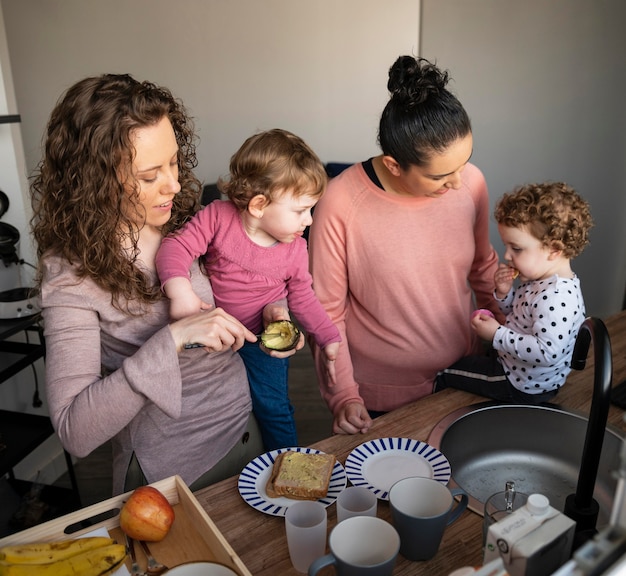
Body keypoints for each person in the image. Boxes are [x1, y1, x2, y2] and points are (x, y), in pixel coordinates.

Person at [30, 73, 302, 495]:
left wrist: (273, 309)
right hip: (173, 473)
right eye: (148, 175)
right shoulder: (71, 277)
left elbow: (249, 277)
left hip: (248, 433)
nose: (174, 184)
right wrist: (171, 339)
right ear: (94, 181)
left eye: (174, 162)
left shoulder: (184, 219)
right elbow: (75, 431)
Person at [308, 55, 503, 435]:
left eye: (465, 164)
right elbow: (326, 312)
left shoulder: (471, 183)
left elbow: (483, 269)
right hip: (381, 398)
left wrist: (511, 340)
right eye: (441, 175)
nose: (457, 183)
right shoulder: (340, 201)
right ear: (394, 165)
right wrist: (344, 395)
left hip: (466, 376)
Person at [155, 128, 340, 451]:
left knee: (274, 409)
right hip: (213, 336)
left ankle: (287, 466)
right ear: (258, 205)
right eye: (300, 210)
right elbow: (175, 248)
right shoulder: (217, 216)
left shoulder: (295, 248)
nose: (309, 220)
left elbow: (303, 297)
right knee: (210, 411)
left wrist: (328, 337)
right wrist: (180, 291)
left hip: (259, 342)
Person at [434, 182, 593, 403]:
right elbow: (521, 316)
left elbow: (548, 353)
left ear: (554, 250)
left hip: (519, 382)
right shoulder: (542, 280)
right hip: (516, 366)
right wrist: (504, 293)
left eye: (516, 248)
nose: (507, 255)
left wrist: (497, 334)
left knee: (445, 372)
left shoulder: (557, 297)